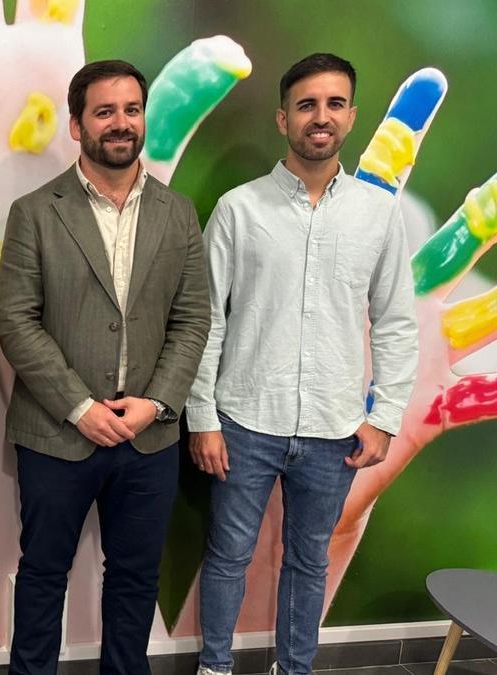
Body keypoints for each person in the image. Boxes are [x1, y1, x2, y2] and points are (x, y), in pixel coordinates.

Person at [187, 53, 418, 675]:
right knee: (229, 554)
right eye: (308, 105)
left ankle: (295, 669)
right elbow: (207, 320)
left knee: (308, 560)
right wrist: (202, 416)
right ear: (282, 118)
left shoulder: (377, 216)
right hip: (243, 420)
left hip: (334, 426)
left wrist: (386, 416)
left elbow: (396, 321)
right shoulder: (240, 209)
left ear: (351, 117)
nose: (322, 117)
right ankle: (214, 666)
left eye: (335, 104)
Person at [0, 60, 211, 675]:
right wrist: (81, 407)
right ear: (76, 125)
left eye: (132, 110)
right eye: (105, 111)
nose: (121, 123)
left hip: (150, 436)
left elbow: (193, 319)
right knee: (42, 576)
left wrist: (157, 402)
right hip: (58, 433)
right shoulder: (35, 211)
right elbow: (16, 321)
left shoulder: (179, 213)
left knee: (136, 580)